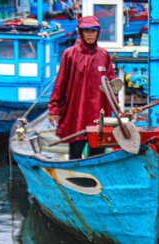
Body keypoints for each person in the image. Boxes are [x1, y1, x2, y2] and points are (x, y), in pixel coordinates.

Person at [48, 16, 116, 160]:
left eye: (94, 31)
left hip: (99, 113)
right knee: (75, 152)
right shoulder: (69, 54)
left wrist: (117, 109)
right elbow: (59, 84)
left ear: (98, 33)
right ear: (80, 32)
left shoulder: (103, 55)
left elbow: (112, 85)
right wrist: (53, 109)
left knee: (97, 154)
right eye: (87, 31)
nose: (90, 34)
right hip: (76, 113)